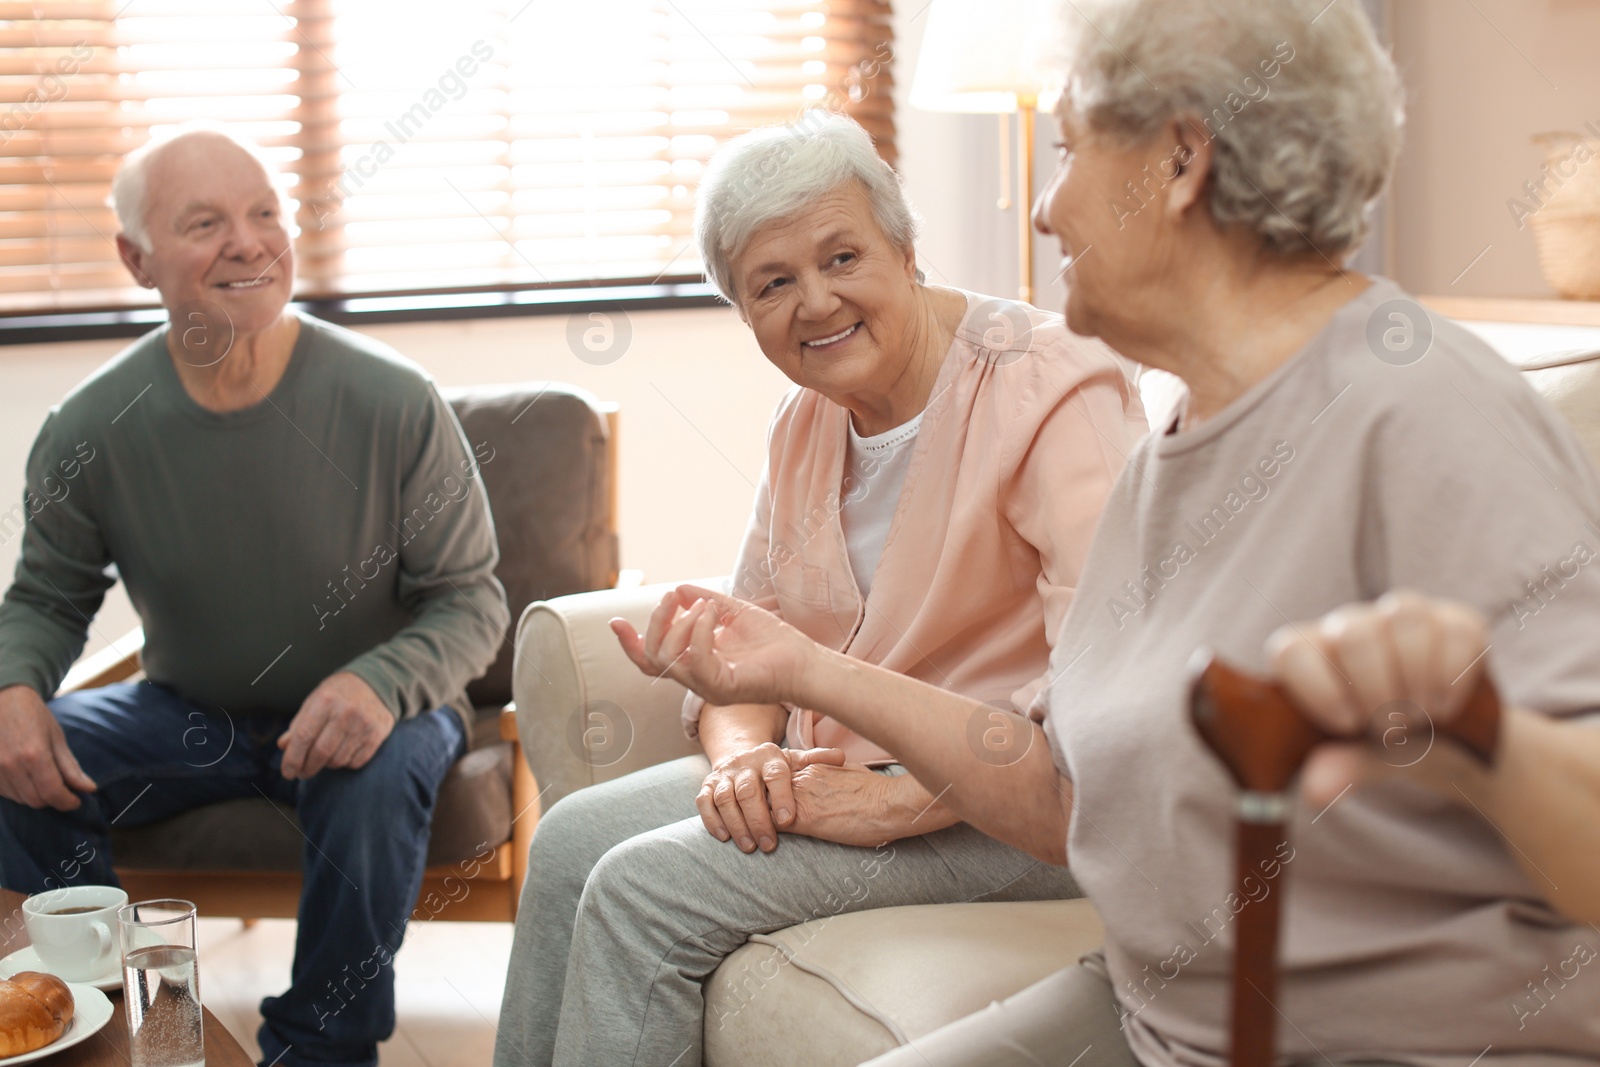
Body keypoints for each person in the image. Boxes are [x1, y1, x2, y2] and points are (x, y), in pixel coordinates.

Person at [614, 1, 1600, 1064]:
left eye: (1072, 151)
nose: (1043, 209)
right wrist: (805, 671)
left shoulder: (1417, 404)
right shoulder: (1170, 452)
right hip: (1160, 1013)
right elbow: (1058, 800)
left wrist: (1479, 727)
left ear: (1179, 162)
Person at [494, 112, 1148, 1066]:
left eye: (843, 257)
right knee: (564, 846)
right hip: (832, 774)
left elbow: (1109, 701)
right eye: (773, 282)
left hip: (1008, 807)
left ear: (908, 251)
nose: (816, 301)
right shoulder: (804, 421)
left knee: (643, 890)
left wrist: (903, 802)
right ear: (744, 311)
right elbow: (751, 651)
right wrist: (742, 759)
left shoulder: (1050, 388)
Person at [0, 125, 509, 1067]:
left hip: (379, 714)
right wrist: (13, 692)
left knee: (375, 766)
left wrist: (378, 682)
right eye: (205, 222)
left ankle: (317, 1049)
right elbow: (45, 597)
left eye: (264, 214)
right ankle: (104, 1022)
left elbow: (471, 601)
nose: (248, 241)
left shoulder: (394, 401)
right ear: (136, 257)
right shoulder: (91, 427)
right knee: (11, 756)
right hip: (189, 715)